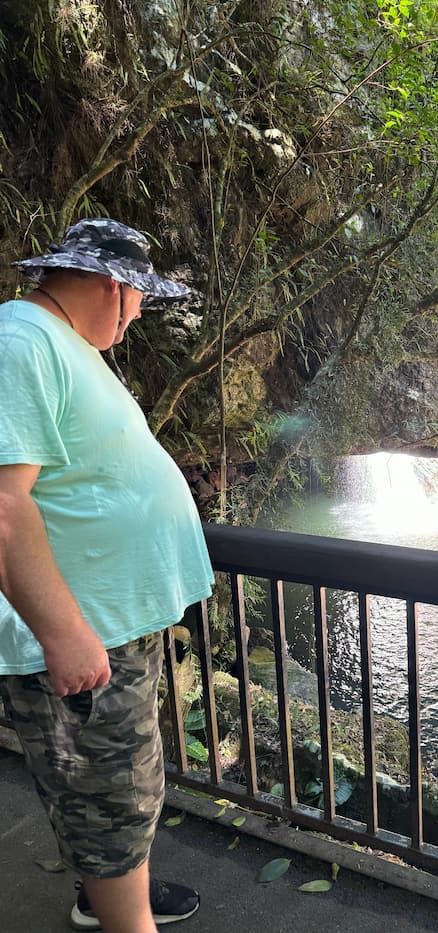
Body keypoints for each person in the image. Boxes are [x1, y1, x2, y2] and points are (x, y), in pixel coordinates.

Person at [0, 218, 214, 932]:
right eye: (141, 295)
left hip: (111, 623)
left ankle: (109, 899)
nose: (143, 310)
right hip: (83, 630)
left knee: (123, 787)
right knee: (109, 798)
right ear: (110, 285)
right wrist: (62, 633)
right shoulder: (22, 340)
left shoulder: (62, 343)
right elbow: (3, 503)